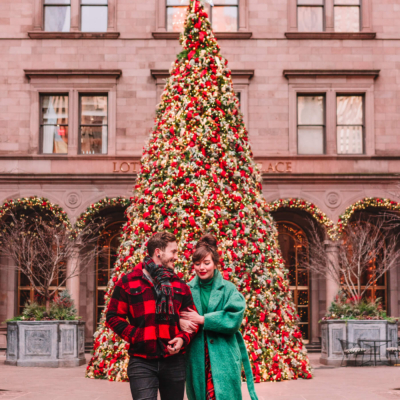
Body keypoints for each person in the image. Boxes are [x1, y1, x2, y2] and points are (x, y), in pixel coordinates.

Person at [106, 231, 199, 400]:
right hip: (141, 362)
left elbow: (193, 321)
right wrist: (137, 335)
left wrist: (182, 339)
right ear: (158, 252)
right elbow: (113, 316)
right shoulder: (128, 282)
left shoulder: (180, 285)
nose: (176, 257)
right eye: (173, 251)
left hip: (174, 361)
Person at [180, 234, 259, 400]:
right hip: (197, 356)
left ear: (215, 264)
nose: (202, 267)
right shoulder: (186, 289)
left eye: (206, 263)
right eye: (197, 263)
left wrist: (203, 319)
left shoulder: (228, 289)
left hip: (224, 356)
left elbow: (234, 319)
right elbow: (179, 314)